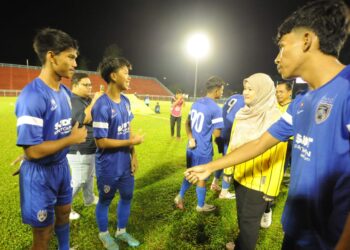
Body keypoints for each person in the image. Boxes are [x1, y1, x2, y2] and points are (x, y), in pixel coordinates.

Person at [185, 0, 350, 249]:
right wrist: (211, 166)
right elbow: (261, 142)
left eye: (282, 47)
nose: (276, 58)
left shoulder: (347, 90)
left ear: (307, 40)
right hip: (296, 230)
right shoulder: (301, 102)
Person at [15, 28, 87, 250]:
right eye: (71, 57)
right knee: (43, 231)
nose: (75, 64)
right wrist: (71, 139)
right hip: (40, 175)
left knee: (64, 214)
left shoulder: (64, 93)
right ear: (51, 56)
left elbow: (53, 132)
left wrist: (32, 150)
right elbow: (34, 151)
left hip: (60, 167)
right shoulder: (32, 96)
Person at [223, 73, 287, 250]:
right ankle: (239, 244)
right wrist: (228, 171)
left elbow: (279, 157)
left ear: (263, 91)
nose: (246, 92)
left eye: (251, 89)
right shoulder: (243, 113)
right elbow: (233, 144)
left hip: (259, 183)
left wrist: (272, 188)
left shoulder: (276, 118)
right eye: (245, 88)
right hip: (240, 176)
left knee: (250, 224)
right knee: (242, 217)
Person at [92, 57, 144, 250]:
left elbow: (128, 129)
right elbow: (101, 141)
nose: (129, 77)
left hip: (125, 163)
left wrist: (134, 155)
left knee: (127, 196)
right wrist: (131, 142)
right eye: (125, 73)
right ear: (113, 76)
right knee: (105, 200)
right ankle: (104, 234)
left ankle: (121, 231)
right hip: (108, 165)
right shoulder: (102, 105)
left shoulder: (126, 102)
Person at [174, 76, 224, 212]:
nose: (222, 93)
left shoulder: (196, 103)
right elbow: (217, 134)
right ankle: (200, 206)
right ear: (217, 90)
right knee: (202, 176)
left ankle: (180, 196)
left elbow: (187, 123)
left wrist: (191, 137)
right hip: (203, 150)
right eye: (222, 90)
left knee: (190, 173)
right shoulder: (216, 108)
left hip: (191, 147)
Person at [67, 72, 103, 220]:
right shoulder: (73, 100)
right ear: (75, 85)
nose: (89, 87)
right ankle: (64, 207)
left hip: (89, 145)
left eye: (90, 84)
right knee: (79, 180)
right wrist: (95, 100)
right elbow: (85, 118)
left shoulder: (83, 99)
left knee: (89, 176)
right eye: (85, 84)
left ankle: (89, 198)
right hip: (79, 148)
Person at [210, 94, 245, 200]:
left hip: (219, 130)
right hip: (229, 131)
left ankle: (215, 183)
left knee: (225, 159)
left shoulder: (234, 96)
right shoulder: (247, 101)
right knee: (229, 162)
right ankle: (224, 192)